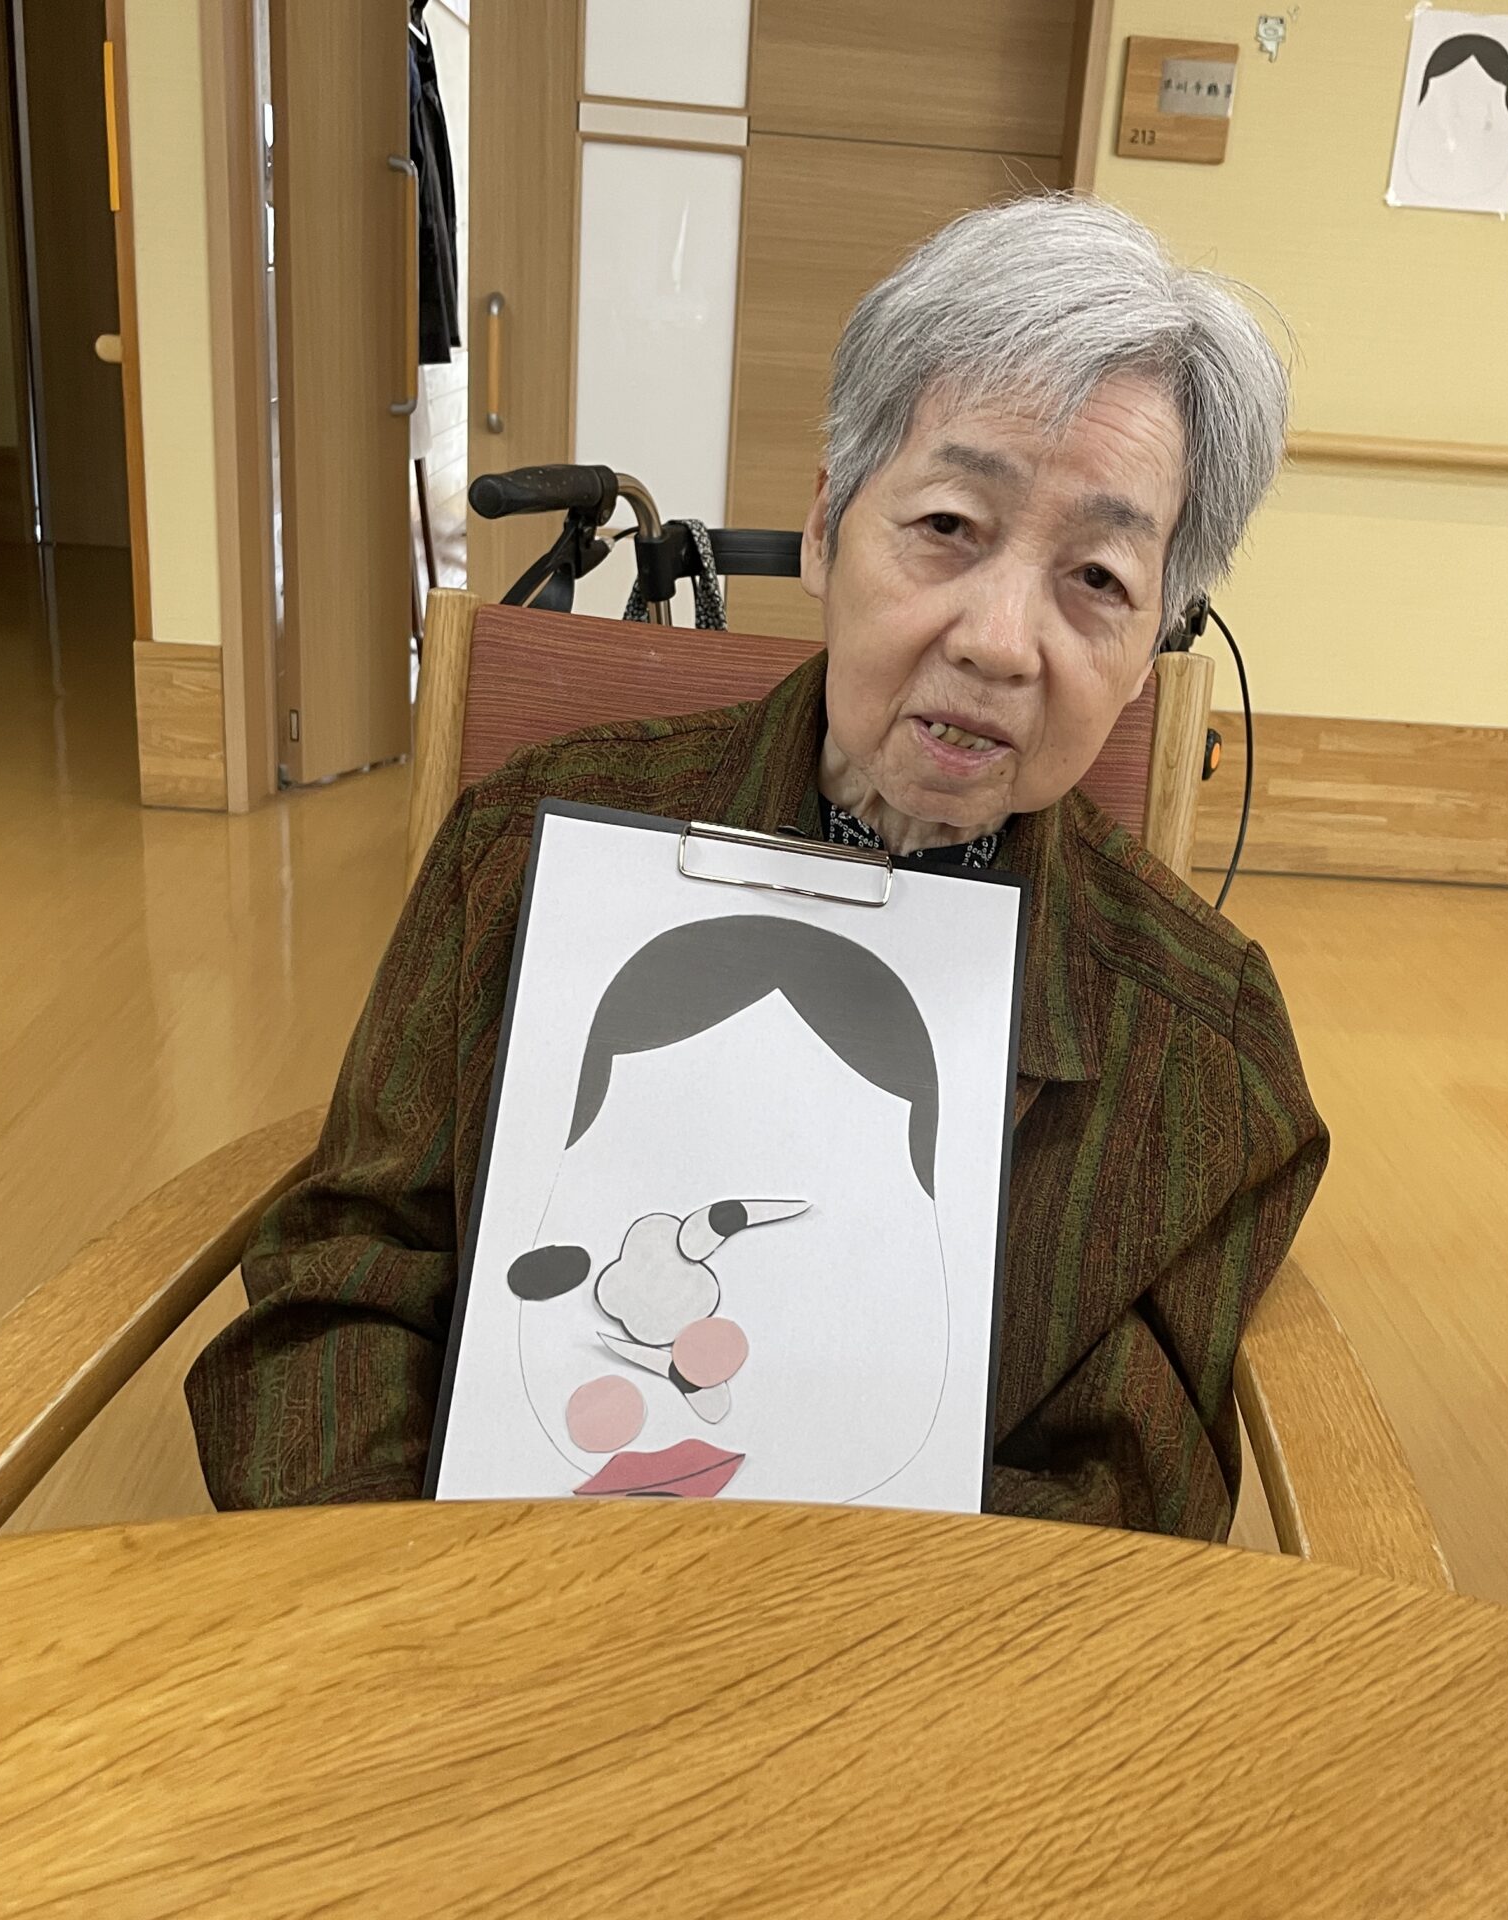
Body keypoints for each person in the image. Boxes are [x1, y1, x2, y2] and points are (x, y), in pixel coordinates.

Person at [186, 194, 1327, 1542]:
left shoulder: (1203, 1049)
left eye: (1097, 579)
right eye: (949, 525)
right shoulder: (529, 849)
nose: (1000, 640)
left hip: (903, 1655)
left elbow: (1127, 1496)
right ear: (827, 527)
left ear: (1154, 647)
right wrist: (412, 1599)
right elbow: (348, 1283)